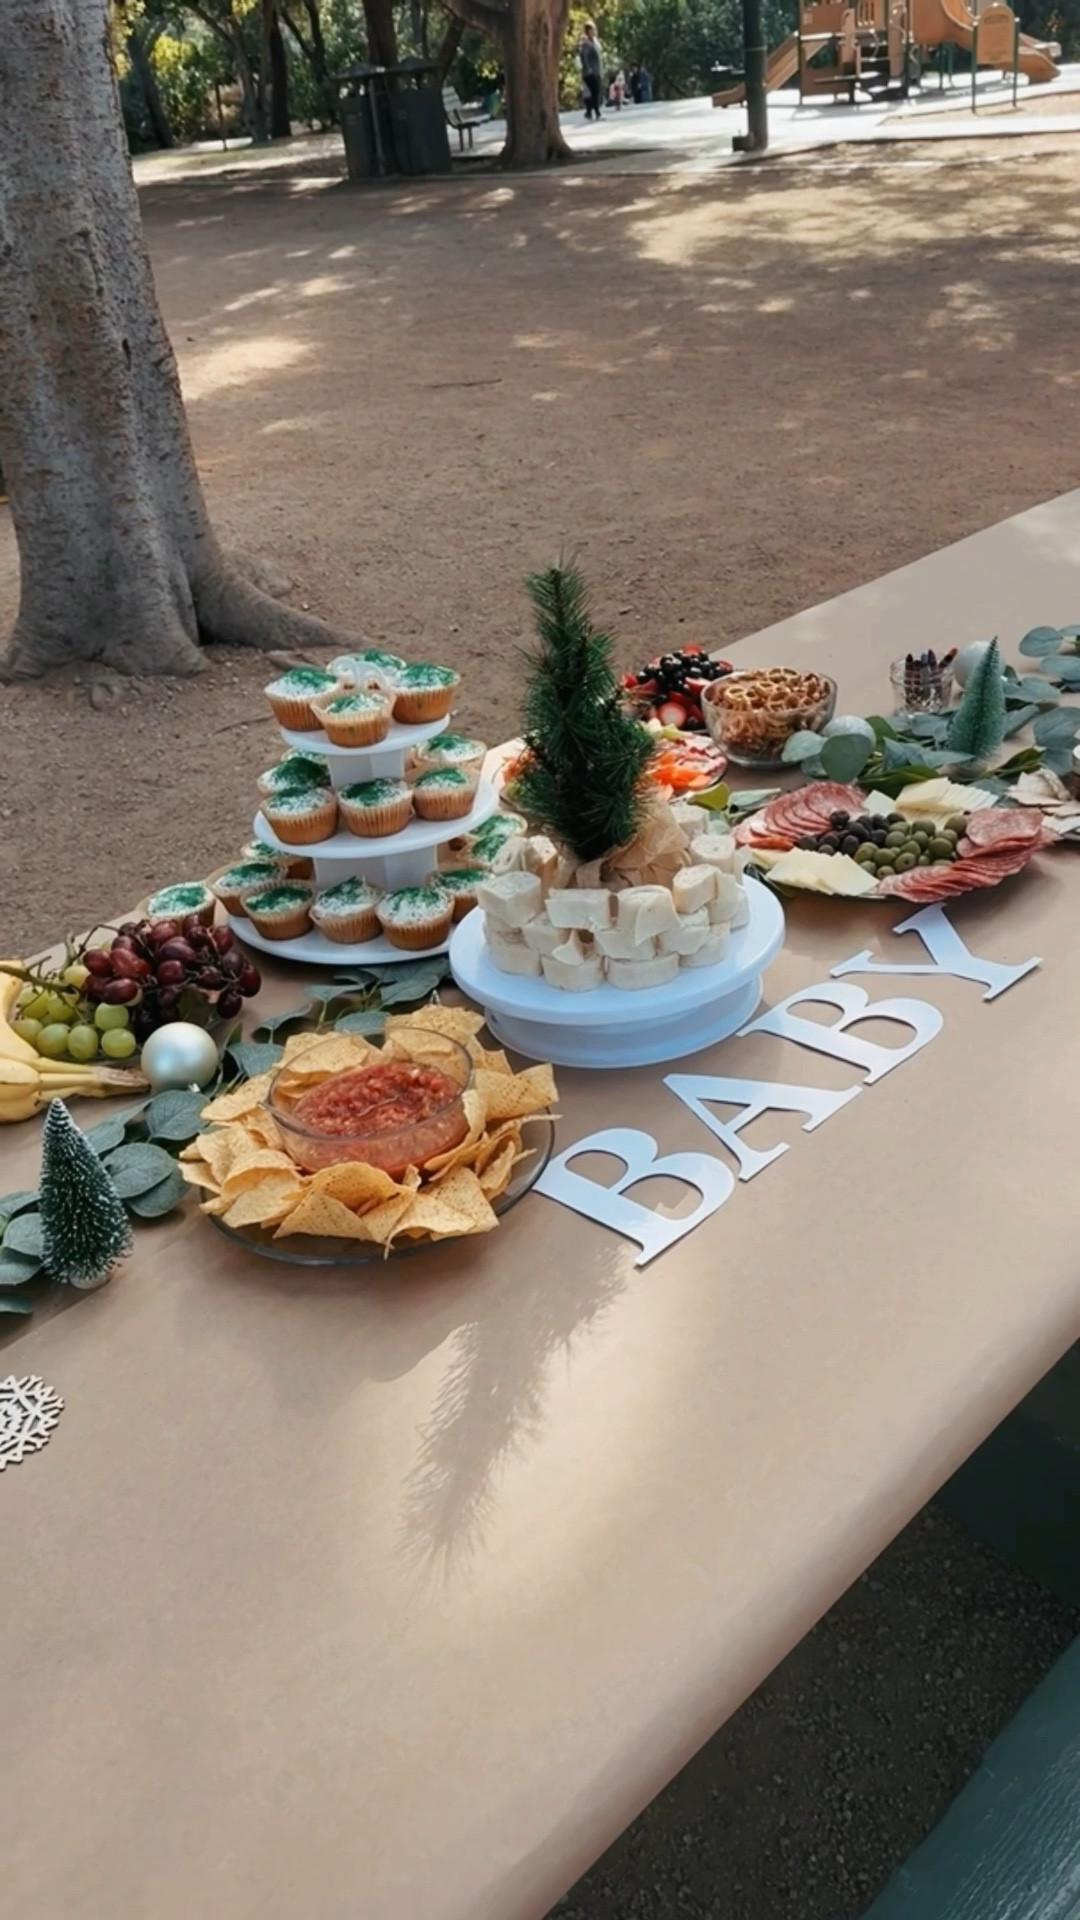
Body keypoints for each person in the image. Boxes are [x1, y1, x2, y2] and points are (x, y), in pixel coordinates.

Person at [579, 20, 603, 120]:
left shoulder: (595, 42)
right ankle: (597, 113)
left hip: (596, 70)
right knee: (595, 92)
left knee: (593, 93)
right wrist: (588, 68)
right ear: (588, 31)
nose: (594, 31)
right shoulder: (587, 44)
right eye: (592, 30)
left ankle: (589, 112)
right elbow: (584, 56)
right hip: (591, 72)